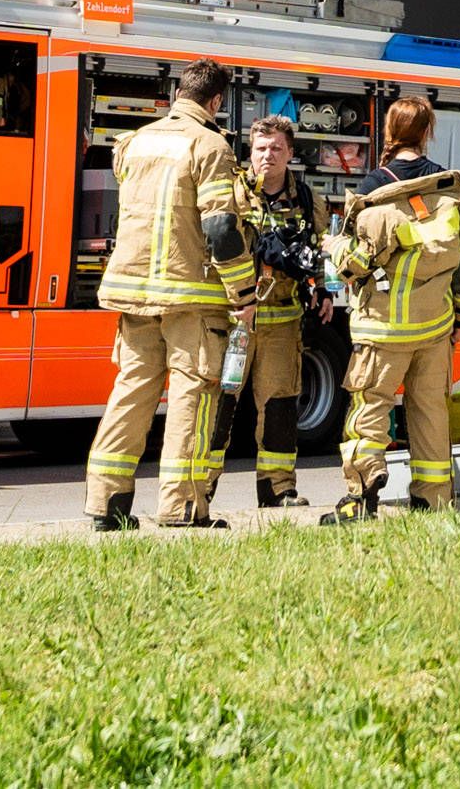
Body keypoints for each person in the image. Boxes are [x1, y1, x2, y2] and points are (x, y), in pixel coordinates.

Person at [87, 56, 247, 533]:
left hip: (133, 292)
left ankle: (105, 503)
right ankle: (182, 508)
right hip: (189, 297)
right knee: (191, 397)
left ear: (179, 92)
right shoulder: (211, 146)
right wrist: (242, 291)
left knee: (131, 391)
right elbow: (220, 227)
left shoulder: (135, 142)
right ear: (216, 100)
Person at [321, 95, 460, 520]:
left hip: (383, 330)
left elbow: (355, 267)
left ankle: (362, 491)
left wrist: (332, 243)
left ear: (389, 133)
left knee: (370, 407)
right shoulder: (450, 191)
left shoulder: (374, 190)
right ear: (429, 132)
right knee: (430, 412)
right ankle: (433, 498)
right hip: (435, 328)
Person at [234, 117, 317, 509]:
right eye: (261, 148)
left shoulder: (306, 197)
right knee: (216, 407)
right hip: (234, 320)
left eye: (277, 148)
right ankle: (199, 493)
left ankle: (278, 489)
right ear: (250, 152)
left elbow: (317, 252)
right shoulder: (231, 192)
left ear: (290, 154)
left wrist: (321, 288)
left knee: (281, 405)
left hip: (283, 319)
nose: (268, 155)